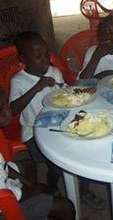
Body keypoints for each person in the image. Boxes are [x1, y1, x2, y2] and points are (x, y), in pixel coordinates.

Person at [0, 87, 75, 220]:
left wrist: (31, 185)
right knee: (66, 206)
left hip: (6, 181)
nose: (9, 110)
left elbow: (4, 166)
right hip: (6, 208)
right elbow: (7, 199)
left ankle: (39, 202)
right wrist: (36, 190)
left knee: (29, 165)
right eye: (3, 107)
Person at [9, 31, 64, 192]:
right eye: (38, 56)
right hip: (33, 130)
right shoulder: (18, 81)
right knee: (55, 162)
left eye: (46, 54)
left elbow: (64, 94)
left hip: (58, 122)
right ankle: (52, 184)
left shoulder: (55, 72)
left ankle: (80, 186)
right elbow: (13, 110)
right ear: (23, 59)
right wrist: (37, 87)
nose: (45, 60)